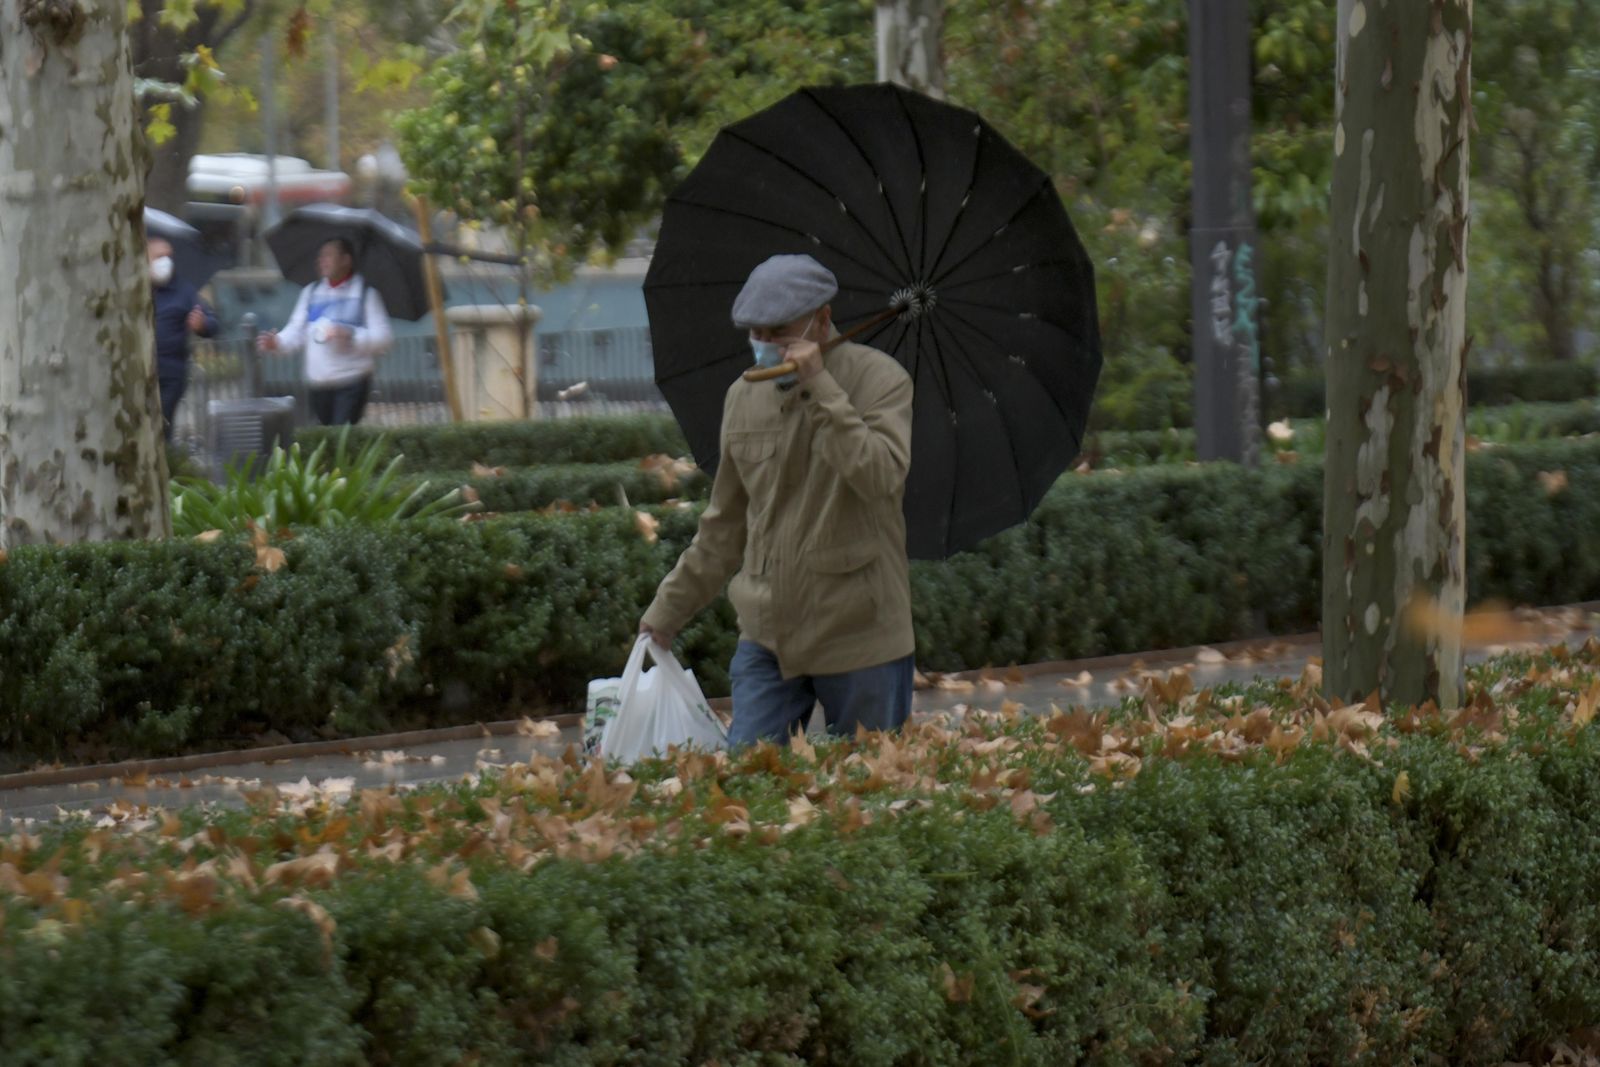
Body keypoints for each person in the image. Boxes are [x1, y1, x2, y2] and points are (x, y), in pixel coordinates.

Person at [640, 254, 916, 746]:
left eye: (778, 331)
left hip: (860, 637)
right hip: (767, 636)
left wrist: (822, 388)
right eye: (756, 332)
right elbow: (724, 525)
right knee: (749, 782)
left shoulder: (882, 381)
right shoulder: (743, 397)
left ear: (823, 320)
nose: (764, 344)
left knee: (871, 797)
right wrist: (666, 613)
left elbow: (880, 476)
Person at [256, 237, 393, 425]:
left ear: (346, 260)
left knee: (341, 438)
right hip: (318, 382)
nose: (322, 261)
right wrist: (277, 342)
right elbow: (296, 331)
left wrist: (350, 334)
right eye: (320, 256)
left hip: (351, 381)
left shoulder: (365, 294)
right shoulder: (311, 293)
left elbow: (384, 339)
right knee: (325, 438)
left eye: (328, 255)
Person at [147, 237, 217, 443]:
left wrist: (202, 324)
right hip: (139, 370)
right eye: (159, 256)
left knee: (161, 423)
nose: (166, 261)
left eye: (169, 256)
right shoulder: (133, 289)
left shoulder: (183, 291)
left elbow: (212, 322)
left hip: (170, 372)